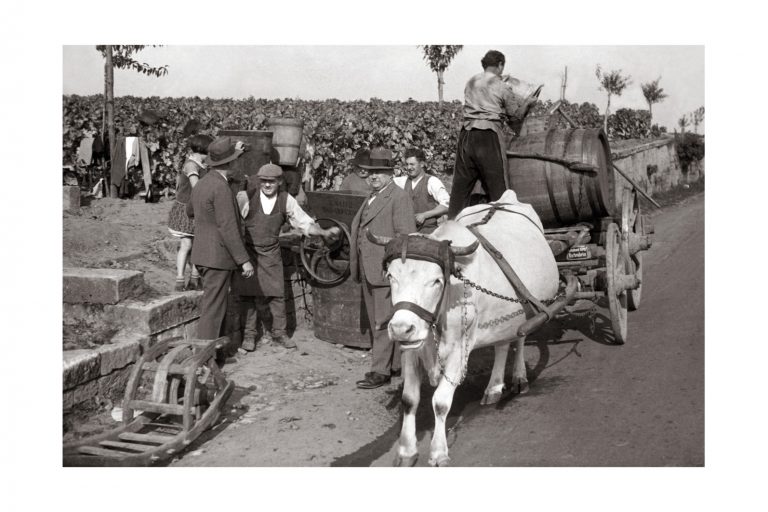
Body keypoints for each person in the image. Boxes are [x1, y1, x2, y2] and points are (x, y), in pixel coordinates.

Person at [234, 164, 340, 351]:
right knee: (248, 295)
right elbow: (233, 225)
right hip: (249, 253)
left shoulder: (286, 200)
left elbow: (304, 224)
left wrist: (323, 232)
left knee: (277, 295)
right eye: (264, 181)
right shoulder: (247, 197)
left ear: (280, 181)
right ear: (259, 182)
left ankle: (279, 333)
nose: (267, 185)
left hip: (272, 252)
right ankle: (249, 336)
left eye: (271, 181)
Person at [350, 147, 417, 389]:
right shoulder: (372, 196)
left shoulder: (398, 197)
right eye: (370, 173)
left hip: (384, 271)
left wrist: (394, 269)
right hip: (369, 270)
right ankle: (395, 365)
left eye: (379, 172)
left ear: (390, 173)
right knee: (379, 320)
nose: (374, 177)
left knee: (382, 322)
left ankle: (380, 371)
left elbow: (404, 238)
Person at [447, 49, 538, 218]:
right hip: (488, 136)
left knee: (460, 188)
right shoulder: (501, 85)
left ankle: (452, 226)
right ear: (500, 65)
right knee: (499, 189)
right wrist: (529, 104)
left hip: (466, 135)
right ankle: (504, 224)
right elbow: (515, 116)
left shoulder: (471, 81)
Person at [186, 137, 254, 340]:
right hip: (217, 258)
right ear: (231, 163)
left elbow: (190, 211)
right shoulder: (221, 188)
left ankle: (217, 353)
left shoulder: (202, 183)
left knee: (215, 305)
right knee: (213, 310)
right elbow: (228, 228)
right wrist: (244, 261)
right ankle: (205, 360)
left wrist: (207, 223)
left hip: (201, 254)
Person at [168, 134, 213, 291]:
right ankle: (180, 279)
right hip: (187, 210)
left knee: (198, 244)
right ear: (202, 150)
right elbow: (197, 188)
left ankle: (194, 279)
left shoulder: (202, 163)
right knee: (186, 244)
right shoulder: (191, 166)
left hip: (197, 208)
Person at [393, 148, 450, 234]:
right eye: (407, 164)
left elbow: (447, 205)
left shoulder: (432, 181)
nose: (409, 168)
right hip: (408, 232)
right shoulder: (403, 181)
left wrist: (425, 215)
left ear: (422, 164)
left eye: (412, 164)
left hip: (428, 232)